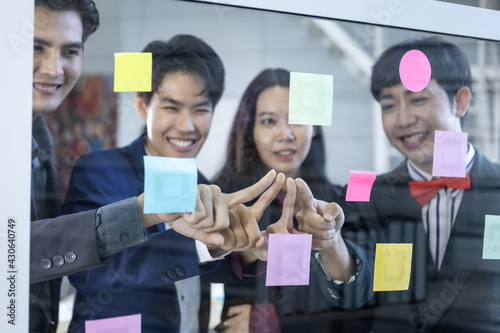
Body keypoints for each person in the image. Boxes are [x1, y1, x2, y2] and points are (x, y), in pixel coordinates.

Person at [30, 1, 271, 332]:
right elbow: (87, 272)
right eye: (171, 107)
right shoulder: (101, 168)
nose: (186, 125)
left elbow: (212, 264)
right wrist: (198, 245)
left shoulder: (205, 184)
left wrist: (248, 249)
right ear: (143, 105)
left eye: (201, 109)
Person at [338, 37, 500, 332]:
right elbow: (351, 297)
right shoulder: (365, 196)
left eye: (417, 99)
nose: (403, 119)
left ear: (460, 101)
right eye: (389, 105)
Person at [213, 68, 373, 332]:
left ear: (313, 129)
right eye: (268, 121)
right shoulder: (227, 200)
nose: (285, 134)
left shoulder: (339, 203)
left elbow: (360, 300)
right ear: (249, 130)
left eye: (296, 120)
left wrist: (276, 321)